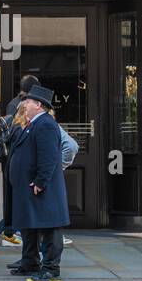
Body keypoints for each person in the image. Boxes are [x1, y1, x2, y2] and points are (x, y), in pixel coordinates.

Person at [6, 84, 69, 281]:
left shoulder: (46, 125)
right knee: (29, 226)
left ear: (39, 105)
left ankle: (51, 266)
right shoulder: (33, 123)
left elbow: (48, 157)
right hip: (27, 187)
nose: (24, 104)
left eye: (28, 101)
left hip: (41, 188)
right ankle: (30, 262)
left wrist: (40, 181)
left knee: (49, 227)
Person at [0, 74, 39, 246]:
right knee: (16, 196)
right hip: (15, 157)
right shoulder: (18, 105)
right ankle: (10, 231)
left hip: (14, 157)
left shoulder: (14, 103)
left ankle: (9, 230)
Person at [47, 103, 80, 248]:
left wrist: (58, 167)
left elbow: (71, 146)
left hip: (46, 175)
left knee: (50, 210)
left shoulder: (50, 127)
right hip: (44, 174)